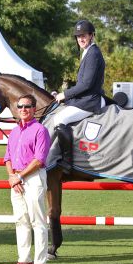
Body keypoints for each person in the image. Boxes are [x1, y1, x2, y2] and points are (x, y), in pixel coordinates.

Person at [4, 94, 51, 264]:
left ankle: (40, 262)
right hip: (16, 178)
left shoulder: (40, 130)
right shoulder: (15, 132)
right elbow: (7, 157)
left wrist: (19, 177)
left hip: (33, 178)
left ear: (33, 108)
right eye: (20, 106)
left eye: (27, 106)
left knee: (37, 220)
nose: (23, 109)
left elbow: (39, 160)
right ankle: (24, 259)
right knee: (20, 219)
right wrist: (12, 177)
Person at [54, 20, 105, 172]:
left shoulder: (93, 54)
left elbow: (86, 84)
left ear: (91, 35)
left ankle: (67, 162)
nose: (81, 39)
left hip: (90, 101)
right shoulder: (87, 52)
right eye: (78, 36)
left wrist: (65, 94)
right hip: (85, 98)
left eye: (84, 36)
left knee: (59, 119)